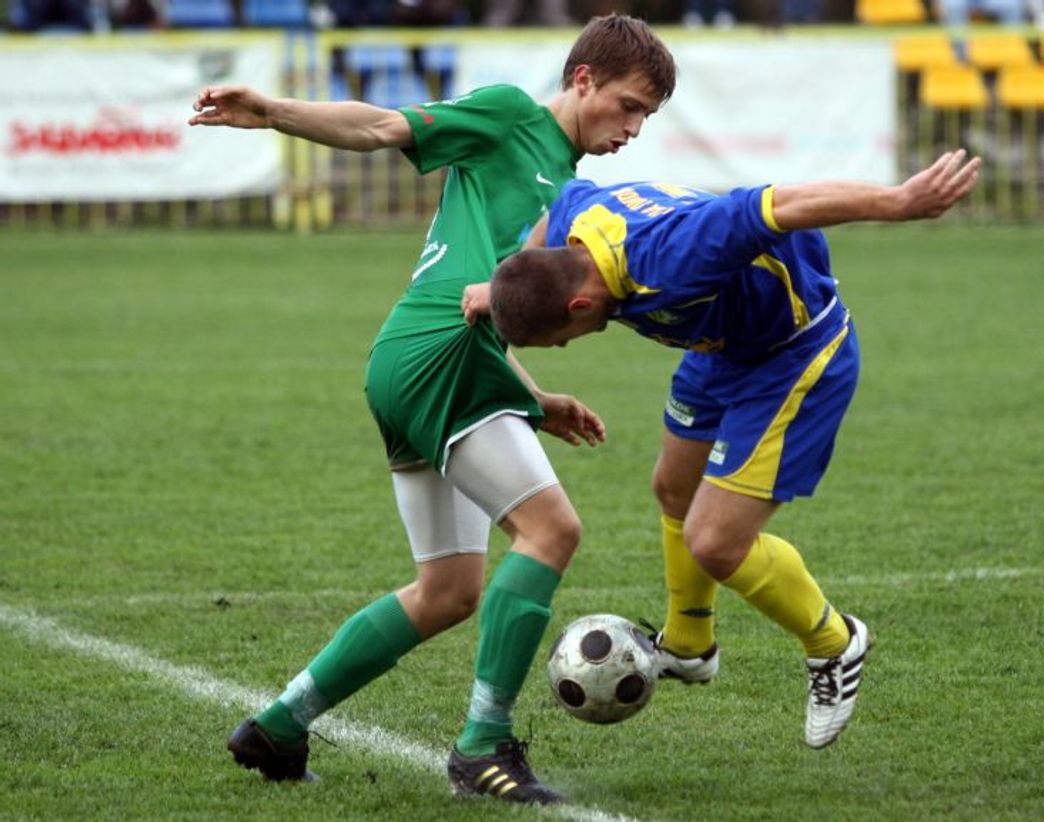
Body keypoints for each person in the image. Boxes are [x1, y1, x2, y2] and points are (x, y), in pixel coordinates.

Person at [187, 14, 676, 804]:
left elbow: (496, 303)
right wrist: (273, 110)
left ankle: (277, 728)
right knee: (552, 531)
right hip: (438, 351)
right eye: (627, 106)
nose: (633, 129)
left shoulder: (569, 186)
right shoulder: (513, 115)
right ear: (582, 80)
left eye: (646, 118)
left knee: (449, 590)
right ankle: (482, 749)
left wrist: (535, 397)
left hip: (416, 356)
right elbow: (382, 125)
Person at [467, 149, 981, 748]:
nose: (569, 345)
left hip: (792, 350)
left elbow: (783, 204)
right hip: (721, 347)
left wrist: (899, 202)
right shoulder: (575, 230)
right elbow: (548, 224)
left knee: (714, 541)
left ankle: (835, 642)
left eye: (563, 341)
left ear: (580, 306)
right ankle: (688, 645)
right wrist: (502, 283)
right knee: (673, 487)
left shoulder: (674, 252)